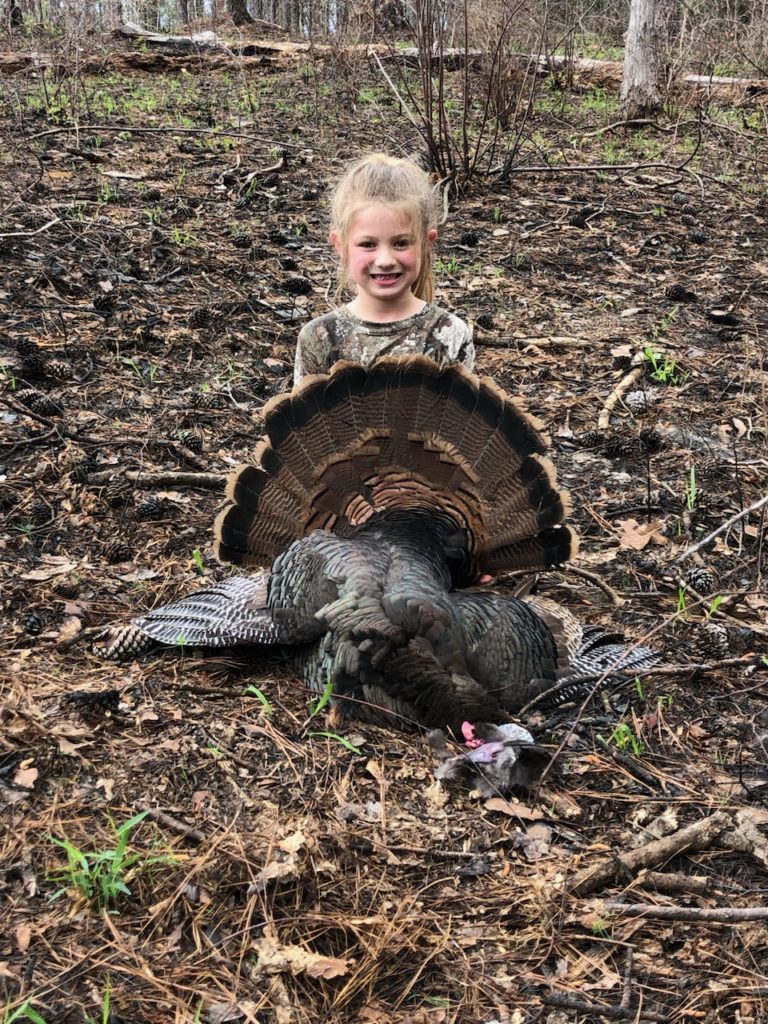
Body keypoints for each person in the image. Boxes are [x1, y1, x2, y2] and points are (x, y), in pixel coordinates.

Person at [293, 153, 474, 386]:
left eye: (401, 243)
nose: (385, 260)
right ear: (341, 246)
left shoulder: (450, 334)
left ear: (426, 243)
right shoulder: (319, 337)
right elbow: (305, 410)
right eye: (368, 244)